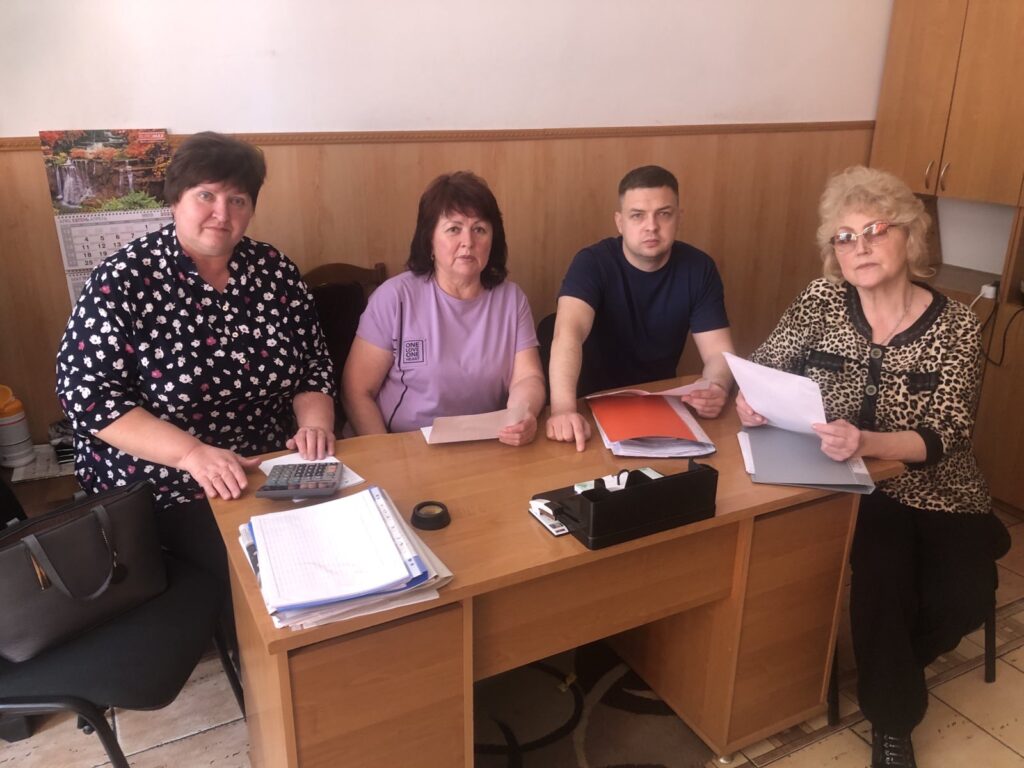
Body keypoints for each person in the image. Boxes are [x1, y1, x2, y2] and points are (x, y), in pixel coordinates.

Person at [735, 166, 1010, 768]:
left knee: (967, 597)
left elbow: (948, 434)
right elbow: (765, 365)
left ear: (910, 236)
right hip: (854, 491)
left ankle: (888, 667)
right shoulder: (821, 300)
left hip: (941, 491)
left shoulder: (957, 325)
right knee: (883, 583)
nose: (858, 247)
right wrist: (751, 399)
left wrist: (868, 440)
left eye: (875, 230)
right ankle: (893, 723)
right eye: (845, 237)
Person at [56, 131, 336, 608]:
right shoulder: (123, 279)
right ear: (175, 200)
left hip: (269, 465)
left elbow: (313, 363)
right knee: (268, 579)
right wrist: (192, 455)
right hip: (165, 478)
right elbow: (88, 398)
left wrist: (315, 425)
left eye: (237, 200)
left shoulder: (274, 270)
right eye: (206, 195)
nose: (222, 213)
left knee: (342, 544)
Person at [342, 171, 545, 447]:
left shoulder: (512, 299)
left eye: (479, 229)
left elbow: (528, 378)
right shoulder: (394, 298)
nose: (468, 242)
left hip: (486, 445)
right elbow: (356, 391)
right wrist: (385, 453)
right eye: (454, 229)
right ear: (429, 239)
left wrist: (523, 414)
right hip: (401, 446)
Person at [545, 165, 735, 451]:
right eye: (638, 215)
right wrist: (562, 409)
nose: (651, 226)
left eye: (664, 214)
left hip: (657, 402)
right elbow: (566, 334)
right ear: (620, 222)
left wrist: (716, 387)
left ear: (679, 218)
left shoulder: (699, 268)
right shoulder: (592, 263)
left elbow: (719, 352)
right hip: (589, 404)